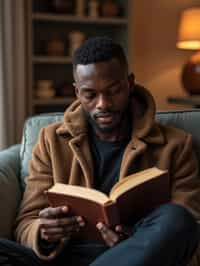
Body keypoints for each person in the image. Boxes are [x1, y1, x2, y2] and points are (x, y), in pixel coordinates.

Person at [0, 36, 200, 266]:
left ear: (130, 83)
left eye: (113, 91)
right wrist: (43, 232)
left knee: (178, 219)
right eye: (90, 95)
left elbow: (190, 229)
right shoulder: (51, 141)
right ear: (77, 92)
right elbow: (26, 223)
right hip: (63, 257)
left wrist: (137, 240)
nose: (103, 104)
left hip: (139, 257)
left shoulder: (175, 145)